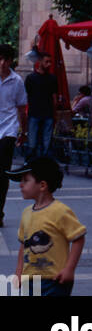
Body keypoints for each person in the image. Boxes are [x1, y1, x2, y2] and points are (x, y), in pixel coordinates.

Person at [14, 156, 86, 297]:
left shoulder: (60, 211)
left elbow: (78, 238)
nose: (21, 185)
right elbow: (23, 245)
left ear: (42, 185)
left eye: (25, 181)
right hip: (30, 280)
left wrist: (69, 269)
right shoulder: (26, 213)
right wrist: (19, 271)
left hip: (55, 279)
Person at [0, 44, 27, 229]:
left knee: (2, 174)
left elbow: (21, 108)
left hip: (8, 130)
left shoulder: (17, 81)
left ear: (10, 61)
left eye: (5, 60)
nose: (2, 63)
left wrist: (23, 131)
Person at [24, 50, 59, 159]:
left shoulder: (53, 78)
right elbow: (26, 96)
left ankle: (43, 164)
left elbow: (54, 97)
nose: (49, 64)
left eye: (50, 62)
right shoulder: (31, 78)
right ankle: (30, 164)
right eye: (46, 62)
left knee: (46, 143)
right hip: (34, 113)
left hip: (47, 114)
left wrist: (55, 112)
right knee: (32, 142)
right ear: (40, 62)